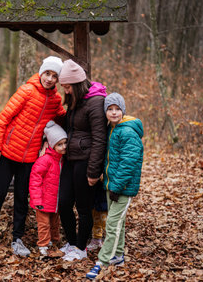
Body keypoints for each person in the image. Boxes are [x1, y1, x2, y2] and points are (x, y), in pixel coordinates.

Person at [0, 56, 66, 256]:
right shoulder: (26, 91)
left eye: (55, 76)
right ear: (41, 72)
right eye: (47, 73)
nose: (50, 79)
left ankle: (17, 239)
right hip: (7, 155)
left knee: (21, 199)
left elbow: (61, 119)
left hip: (30, 160)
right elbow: (3, 118)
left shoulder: (55, 100)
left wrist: (47, 141)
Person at [86, 93, 144, 279]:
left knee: (111, 224)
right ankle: (118, 256)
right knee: (119, 222)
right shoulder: (113, 129)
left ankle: (102, 261)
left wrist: (117, 187)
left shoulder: (126, 131)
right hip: (112, 186)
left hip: (122, 188)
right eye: (110, 109)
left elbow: (129, 162)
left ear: (123, 110)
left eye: (117, 109)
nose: (113, 112)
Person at [57, 59, 108, 261]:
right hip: (70, 159)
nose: (66, 91)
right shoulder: (75, 100)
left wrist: (93, 172)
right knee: (64, 203)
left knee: (83, 207)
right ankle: (71, 243)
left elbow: (99, 139)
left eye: (68, 87)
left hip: (86, 161)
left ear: (77, 84)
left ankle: (80, 248)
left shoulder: (96, 102)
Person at [29, 121, 67, 256]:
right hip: (43, 200)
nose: (63, 147)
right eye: (59, 144)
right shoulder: (45, 160)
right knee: (44, 224)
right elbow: (35, 180)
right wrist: (37, 199)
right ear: (51, 145)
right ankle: (43, 244)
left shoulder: (62, 160)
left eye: (65, 143)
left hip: (55, 200)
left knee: (55, 223)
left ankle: (54, 241)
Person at [86, 181, 108, 251]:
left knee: (105, 219)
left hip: (104, 191)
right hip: (93, 191)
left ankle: (109, 241)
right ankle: (96, 239)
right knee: (95, 217)